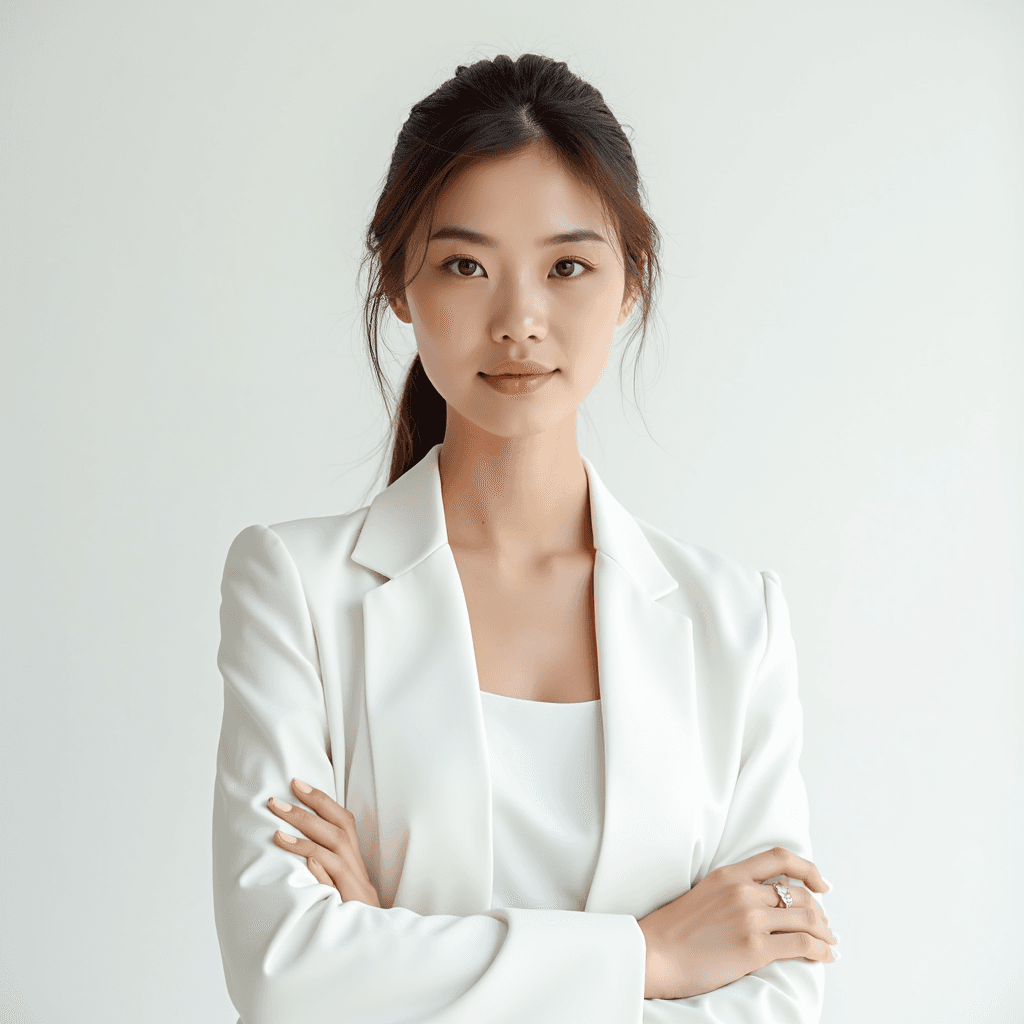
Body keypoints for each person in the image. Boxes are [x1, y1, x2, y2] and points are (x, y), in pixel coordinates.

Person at [212, 53, 838, 1024]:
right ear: (399, 281)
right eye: (465, 265)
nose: (519, 321)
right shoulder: (295, 586)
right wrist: (650, 955)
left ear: (629, 283)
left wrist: (390, 946)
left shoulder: (735, 621)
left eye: (567, 267)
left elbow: (778, 996)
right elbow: (284, 975)